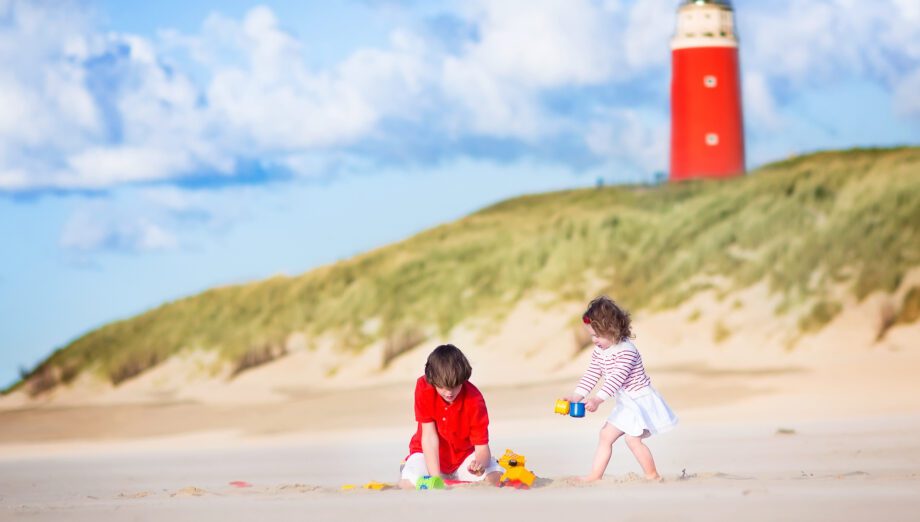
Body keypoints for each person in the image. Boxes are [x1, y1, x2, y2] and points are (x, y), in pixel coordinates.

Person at [561, 296, 678, 481]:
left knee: (631, 439)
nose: (594, 340)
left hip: (640, 401)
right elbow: (592, 374)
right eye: (591, 335)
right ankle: (596, 476)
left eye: (597, 335)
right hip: (627, 401)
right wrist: (576, 396)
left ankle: (652, 475)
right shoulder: (600, 351)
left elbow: (616, 379)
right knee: (607, 436)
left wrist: (598, 399)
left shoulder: (626, 351)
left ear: (612, 329)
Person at [399, 344, 503, 489]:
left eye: (455, 386)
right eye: (442, 387)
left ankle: (464, 474)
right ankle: (409, 466)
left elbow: (482, 448)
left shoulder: (474, 400)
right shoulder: (423, 387)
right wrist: (435, 478)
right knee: (408, 484)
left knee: (494, 479)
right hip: (426, 454)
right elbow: (429, 437)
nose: (449, 393)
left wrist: (480, 464)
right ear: (432, 380)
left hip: (463, 457)